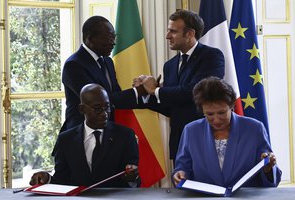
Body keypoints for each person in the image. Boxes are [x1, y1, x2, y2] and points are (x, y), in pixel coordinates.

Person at [133, 10, 225, 160]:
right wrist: (145, 93)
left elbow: (197, 91)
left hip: (206, 140)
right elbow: (172, 107)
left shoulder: (211, 56)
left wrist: (155, 90)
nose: (167, 35)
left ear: (190, 34)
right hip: (180, 144)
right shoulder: (170, 66)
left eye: (173, 31)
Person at [172, 76, 281, 188]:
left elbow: (269, 169)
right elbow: (182, 167)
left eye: (221, 112)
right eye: (210, 114)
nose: (216, 119)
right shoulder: (191, 131)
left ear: (232, 106)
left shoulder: (254, 128)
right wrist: (180, 174)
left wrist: (268, 169)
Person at [30, 84, 140, 187]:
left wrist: (132, 177)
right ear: (82, 109)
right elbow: (62, 181)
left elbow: (134, 181)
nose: (104, 113)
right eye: (97, 109)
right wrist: (47, 178)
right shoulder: (66, 140)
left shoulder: (125, 136)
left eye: (107, 107)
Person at [61, 16, 140, 132]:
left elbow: (116, 96)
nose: (113, 43)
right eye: (109, 38)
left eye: (114, 37)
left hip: (107, 134)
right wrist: (138, 92)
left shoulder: (107, 62)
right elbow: (101, 101)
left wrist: (147, 93)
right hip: (81, 136)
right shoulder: (74, 65)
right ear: (90, 38)